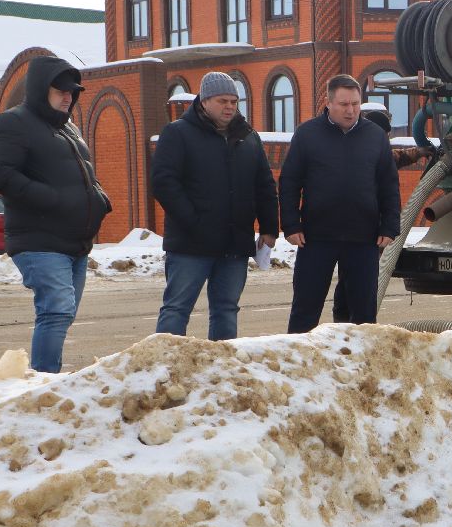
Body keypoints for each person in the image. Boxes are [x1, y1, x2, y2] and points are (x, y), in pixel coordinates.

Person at [0, 55, 112, 373]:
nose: (68, 96)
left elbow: (82, 176)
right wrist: (51, 198)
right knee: (56, 310)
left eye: (72, 91)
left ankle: (45, 377)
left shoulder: (69, 129)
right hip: (38, 239)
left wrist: (99, 199)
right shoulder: (14, 122)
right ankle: (42, 382)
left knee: (64, 313)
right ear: (41, 89)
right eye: (60, 90)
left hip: (74, 242)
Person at [150, 71, 278, 340]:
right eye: (223, 101)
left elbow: (264, 185)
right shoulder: (178, 133)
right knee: (177, 309)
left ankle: (221, 371)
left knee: (226, 310)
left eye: (234, 101)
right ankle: (167, 368)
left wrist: (269, 228)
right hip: (190, 244)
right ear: (204, 101)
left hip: (234, 243)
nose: (230, 106)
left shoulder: (248, 137)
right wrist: (194, 223)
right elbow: (164, 184)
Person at [281, 74, 401, 330]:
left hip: (363, 239)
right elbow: (289, 183)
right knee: (305, 309)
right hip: (316, 238)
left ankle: (359, 365)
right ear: (329, 103)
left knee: (364, 316)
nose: (351, 110)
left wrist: (390, 226)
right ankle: (299, 366)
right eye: (344, 104)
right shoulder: (307, 134)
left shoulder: (375, 136)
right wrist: (291, 225)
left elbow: (388, 184)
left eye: (356, 104)